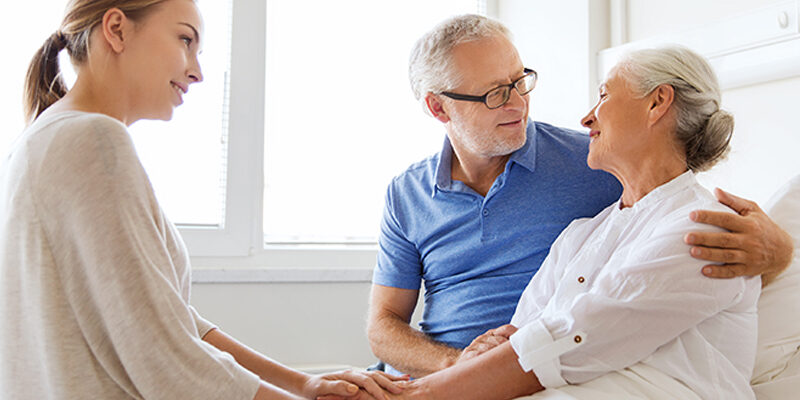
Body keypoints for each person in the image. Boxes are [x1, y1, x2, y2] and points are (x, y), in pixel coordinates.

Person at [0, 1, 403, 399]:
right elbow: (163, 357)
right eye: (185, 40)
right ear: (117, 29)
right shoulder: (92, 140)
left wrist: (302, 383)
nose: (197, 72)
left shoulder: (41, 138)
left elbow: (169, 320)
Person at [366, 14, 794, 379]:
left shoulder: (594, 160)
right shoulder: (407, 194)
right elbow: (383, 326)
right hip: (440, 374)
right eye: (496, 94)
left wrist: (779, 251)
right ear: (439, 108)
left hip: (521, 374)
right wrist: (455, 366)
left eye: (520, 82)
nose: (518, 104)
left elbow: (679, 202)